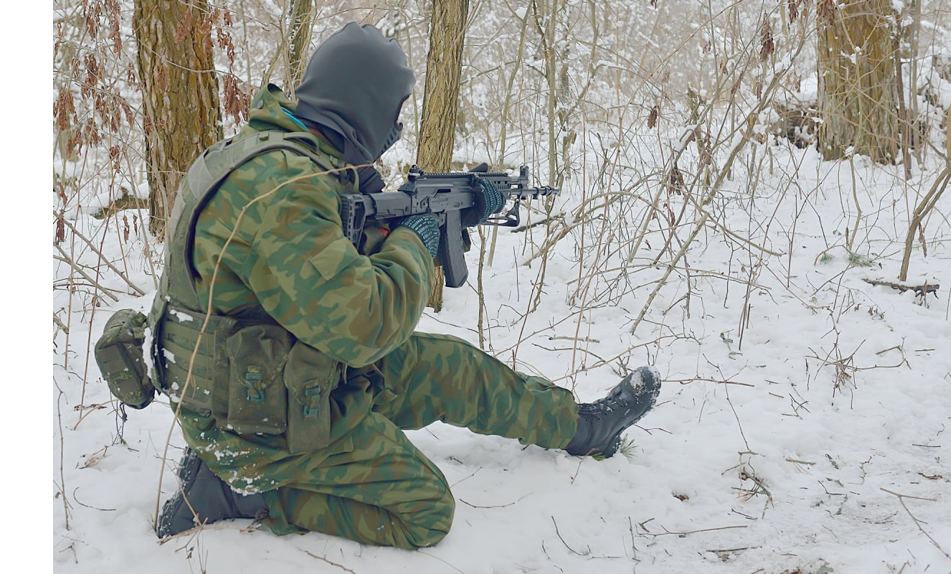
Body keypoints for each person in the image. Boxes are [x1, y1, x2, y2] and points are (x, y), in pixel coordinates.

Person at [151, 22, 661, 549]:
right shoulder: (284, 190)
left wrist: (437, 216)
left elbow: (317, 267)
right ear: (362, 103)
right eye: (392, 111)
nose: (394, 126)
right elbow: (367, 326)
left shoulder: (270, 156)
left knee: (454, 369)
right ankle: (238, 493)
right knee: (426, 512)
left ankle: (582, 429)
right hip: (259, 426)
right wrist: (417, 240)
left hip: (269, 383)